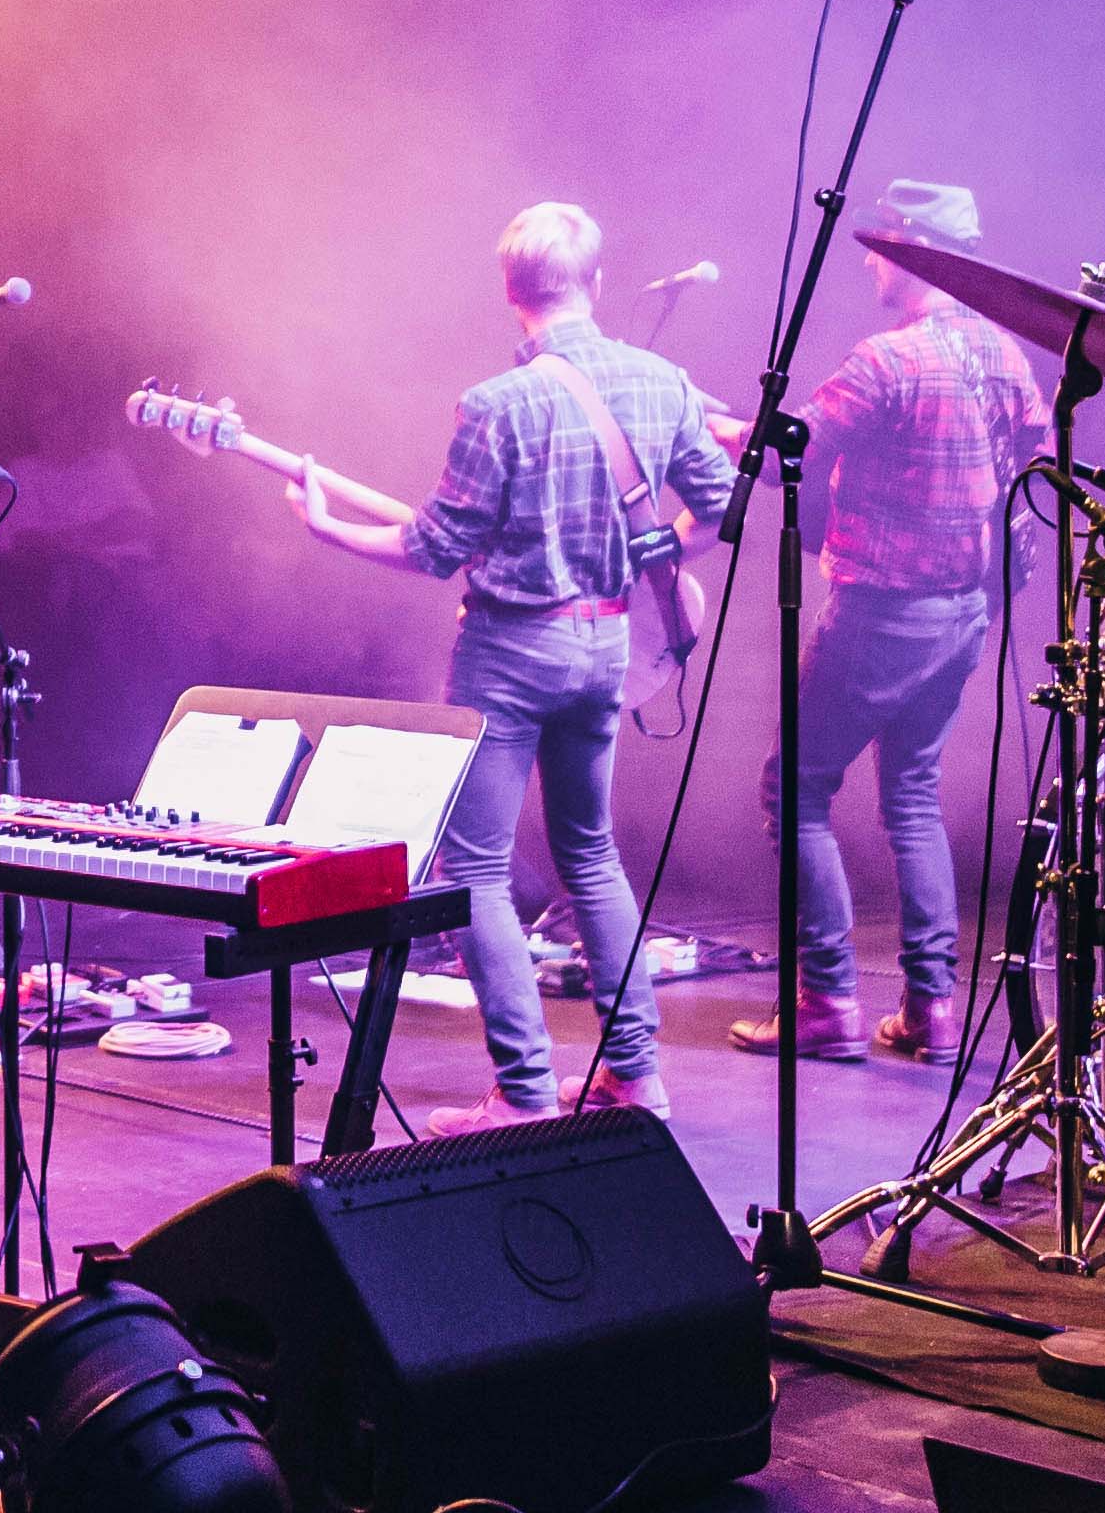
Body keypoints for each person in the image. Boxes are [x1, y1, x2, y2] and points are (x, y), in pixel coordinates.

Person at [273, 200, 738, 1118]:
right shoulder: (660, 381)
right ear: (596, 285)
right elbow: (723, 503)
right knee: (590, 853)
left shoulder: (495, 404)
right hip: (606, 643)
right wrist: (660, 556)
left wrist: (331, 531)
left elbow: (436, 547)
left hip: (509, 651)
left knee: (474, 870)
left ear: (511, 295)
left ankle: (524, 1093)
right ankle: (634, 1077)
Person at [761, 184, 1047, 1064]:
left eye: (880, 245)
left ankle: (827, 1003)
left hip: (880, 613)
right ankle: (932, 1012)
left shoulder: (885, 360)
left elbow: (785, 461)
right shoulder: (1006, 357)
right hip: (964, 616)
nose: (868, 259)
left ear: (913, 253)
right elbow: (1033, 463)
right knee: (912, 796)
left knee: (796, 790)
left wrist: (719, 427)